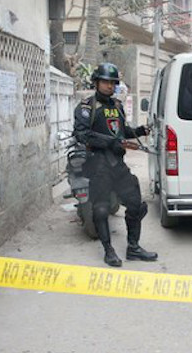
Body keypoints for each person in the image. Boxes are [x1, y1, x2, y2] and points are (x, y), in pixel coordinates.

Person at [74, 62, 157, 267]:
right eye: (105, 82)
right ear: (96, 82)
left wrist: (139, 131)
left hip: (118, 164)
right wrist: (108, 142)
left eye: (113, 83)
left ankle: (133, 248)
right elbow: (82, 135)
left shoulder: (117, 106)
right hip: (98, 165)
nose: (109, 86)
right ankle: (108, 250)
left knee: (136, 204)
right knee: (101, 210)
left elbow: (121, 132)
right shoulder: (87, 107)